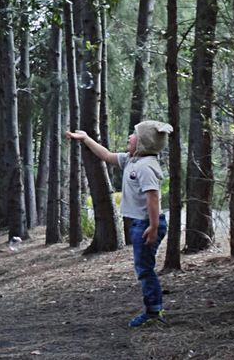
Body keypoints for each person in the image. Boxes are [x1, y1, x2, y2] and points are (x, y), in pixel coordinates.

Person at [66, 120, 174, 328]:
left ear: (143, 142)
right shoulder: (132, 161)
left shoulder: (146, 167)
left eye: (133, 135)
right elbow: (106, 156)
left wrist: (152, 227)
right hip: (141, 224)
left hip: (147, 225)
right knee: (143, 267)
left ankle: (153, 311)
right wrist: (86, 138)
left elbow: (153, 197)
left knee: (145, 269)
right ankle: (153, 308)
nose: (129, 138)